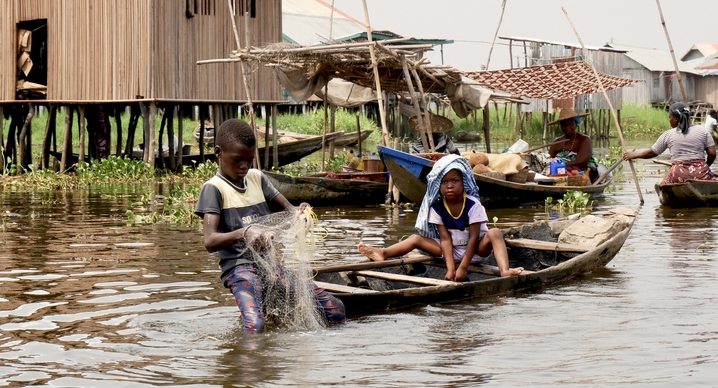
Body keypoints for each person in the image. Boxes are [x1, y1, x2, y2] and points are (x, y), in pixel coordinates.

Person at [195, 119, 346, 332]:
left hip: (271, 266)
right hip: (240, 270)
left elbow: (289, 209)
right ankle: (249, 363)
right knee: (255, 325)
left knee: (334, 308)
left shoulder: (257, 178)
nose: (244, 166)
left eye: (249, 160)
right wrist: (245, 232)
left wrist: (301, 211)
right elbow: (210, 242)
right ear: (218, 153)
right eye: (237, 160)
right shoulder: (214, 189)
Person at [357, 155, 523, 280]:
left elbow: (473, 238)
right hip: (450, 250)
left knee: (494, 233)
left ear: (463, 183)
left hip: (477, 251)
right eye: (444, 182)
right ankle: (383, 253)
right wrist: (451, 269)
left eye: (455, 181)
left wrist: (463, 267)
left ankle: (504, 270)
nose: (450, 185)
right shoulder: (436, 208)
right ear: (439, 186)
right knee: (415, 239)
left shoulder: (473, 205)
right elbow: (444, 240)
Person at [623, 102, 716, 185]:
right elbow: (712, 154)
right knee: (711, 179)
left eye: (669, 117)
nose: (669, 120)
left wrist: (634, 155)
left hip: (678, 175)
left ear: (675, 119)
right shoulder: (702, 130)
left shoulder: (668, 134)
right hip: (701, 174)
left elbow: (652, 152)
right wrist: (704, 166)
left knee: (664, 184)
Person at [548, 107, 600, 183]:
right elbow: (549, 160)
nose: (567, 127)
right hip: (560, 172)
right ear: (561, 126)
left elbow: (581, 162)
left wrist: (561, 166)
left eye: (570, 124)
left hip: (579, 171)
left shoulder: (584, 140)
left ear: (576, 124)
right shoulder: (556, 142)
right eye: (564, 125)